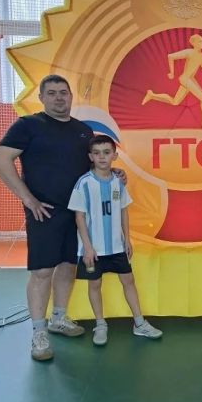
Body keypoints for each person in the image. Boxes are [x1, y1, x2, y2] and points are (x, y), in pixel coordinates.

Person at [0, 75, 123, 362]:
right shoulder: (28, 125)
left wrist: (114, 173)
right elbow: (0, 159)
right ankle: (38, 332)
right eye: (51, 93)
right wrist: (28, 199)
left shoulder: (83, 131)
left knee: (68, 266)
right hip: (44, 211)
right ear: (41, 97)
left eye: (63, 92)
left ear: (71, 96)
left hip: (77, 214)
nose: (59, 97)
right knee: (42, 272)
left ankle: (58, 318)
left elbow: (94, 166)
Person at [68, 135, 162, 345]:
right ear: (90, 157)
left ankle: (139, 323)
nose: (102, 157)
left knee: (129, 281)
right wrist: (87, 247)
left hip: (117, 246)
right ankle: (100, 324)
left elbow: (123, 211)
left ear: (114, 155)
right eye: (97, 153)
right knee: (95, 284)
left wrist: (127, 239)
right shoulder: (84, 183)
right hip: (93, 249)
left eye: (106, 152)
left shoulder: (118, 182)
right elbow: (79, 217)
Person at [142, 34, 202, 129]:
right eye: (200, 41)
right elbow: (170, 56)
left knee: (175, 102)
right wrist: (172, 73)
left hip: (190, 80)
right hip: (186, 79)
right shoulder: (189, 52)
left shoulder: (201, 55)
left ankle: (152, 95)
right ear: (194, 43)